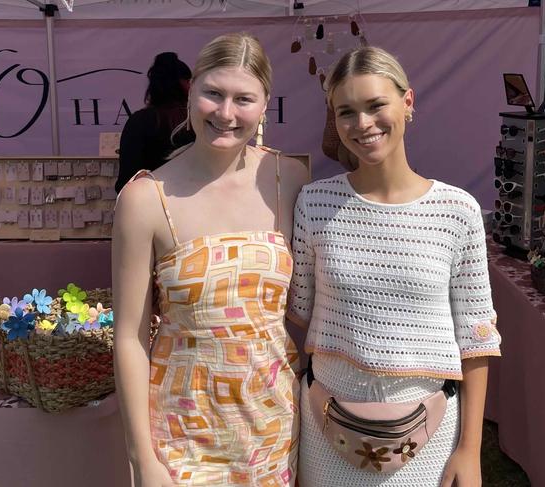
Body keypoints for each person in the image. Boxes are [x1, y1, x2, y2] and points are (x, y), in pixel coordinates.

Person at [288, 46, 502, 487]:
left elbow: (476, 338)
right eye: (345, 111)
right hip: (326, 422)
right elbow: (298, 314)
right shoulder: (314, 203)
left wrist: (470, 449)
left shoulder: (457, 211)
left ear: (407, 103)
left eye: (375, 105)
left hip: (429, 428)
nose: (362, 124)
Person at [113, 33, 308, 487]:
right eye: (213, 94)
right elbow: (129, 338)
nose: (225, 113)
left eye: (243, 99)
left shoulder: (291, 179)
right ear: (191, 90)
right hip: (181, 434)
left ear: (263, 106)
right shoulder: (145, 198)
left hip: (273, 427)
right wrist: (143, 460)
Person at [115, 52, 195, 193]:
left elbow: (125, 182)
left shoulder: (139, 121)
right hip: (190, 202)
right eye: (190, 82)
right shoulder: (195, 121)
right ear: (184, 84)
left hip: (149, 205)